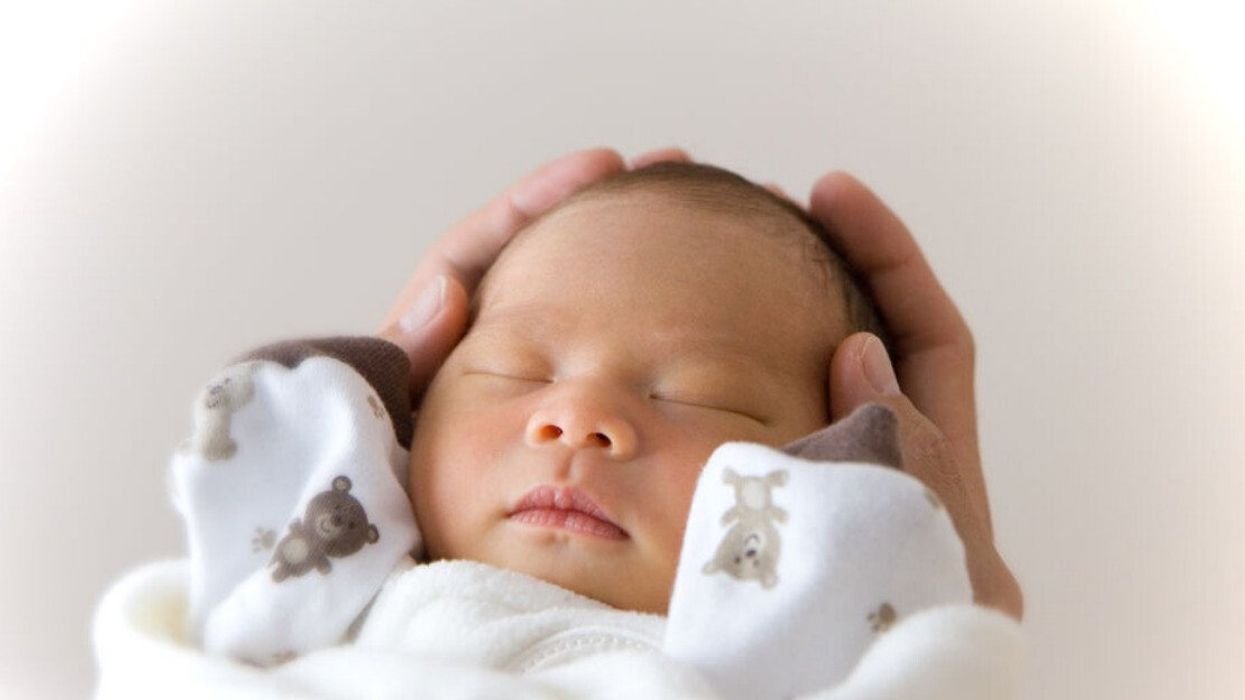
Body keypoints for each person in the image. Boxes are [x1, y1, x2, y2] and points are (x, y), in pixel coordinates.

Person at [93, 149, 1023, 699]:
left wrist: (936, 603)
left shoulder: (771, 671)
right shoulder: (314, 615)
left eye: (704, 395)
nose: (577, 418)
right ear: (411, 412)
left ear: (829, 472)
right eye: (513, 372)